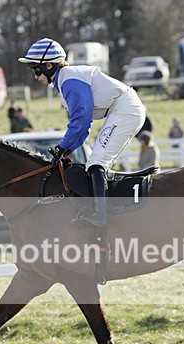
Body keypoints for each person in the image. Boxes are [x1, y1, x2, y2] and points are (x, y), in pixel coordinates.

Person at [19, 37, 145, 227]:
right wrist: (67, 149)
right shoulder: (64, 81)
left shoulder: (68, 79)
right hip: (121, 109)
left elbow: (81, 120)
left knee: (97, 162)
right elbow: (84, 126)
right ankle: (102, 209)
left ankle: (101, 215)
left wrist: (63, 147)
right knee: (95, 163)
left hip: (125, 109)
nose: (36, 76)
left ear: (49, 65)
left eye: (36, 70)